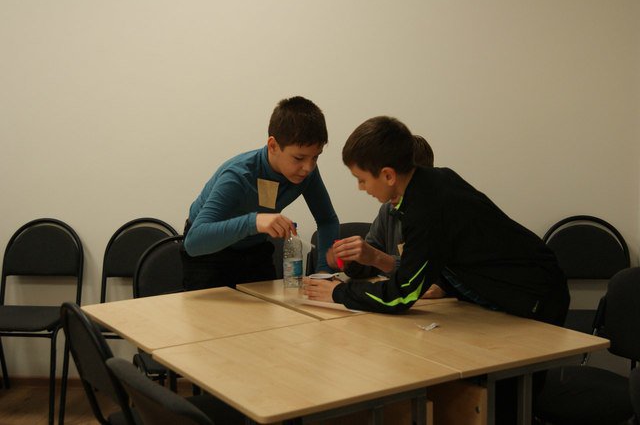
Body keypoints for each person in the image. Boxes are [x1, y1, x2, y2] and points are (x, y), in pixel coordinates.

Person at [304, 115, 569, 327]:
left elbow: (403, 295)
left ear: (388, 175)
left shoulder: (426, 208)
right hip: (514, 292)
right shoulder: (432, 184)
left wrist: (339, 294)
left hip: (534, 297)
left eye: (362, 179)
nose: (361, 188)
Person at [182, 96, 340, 290]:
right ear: (273, 146)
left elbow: (327, 220)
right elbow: (194, 242)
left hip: (254, 250)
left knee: (268, 308)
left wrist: (323, 272)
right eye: (299, 158)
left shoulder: (307, 173)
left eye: (315, 157)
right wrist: (255, 221)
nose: (308, 167)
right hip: (209, 253)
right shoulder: (238, 175)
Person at [326, 135, 446, 299]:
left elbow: (429, 272)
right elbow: (371, 262)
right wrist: (352, 260)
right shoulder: (389, 211)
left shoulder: (439, 212)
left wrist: (443, 286)